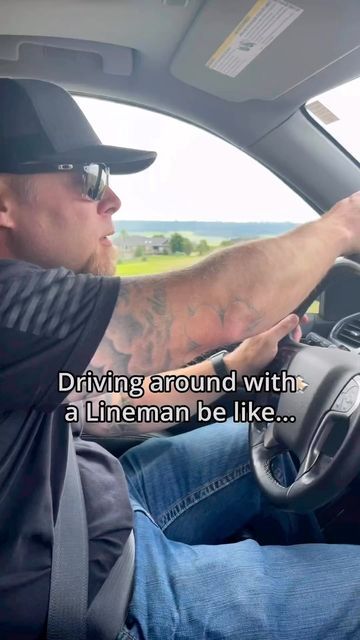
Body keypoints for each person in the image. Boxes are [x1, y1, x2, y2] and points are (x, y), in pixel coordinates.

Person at [1, 78, 360, 640]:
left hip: (92, 500)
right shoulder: (11, 307)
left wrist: (229, 370)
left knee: (279, 434)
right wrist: (342, 225)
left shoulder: (26, 332)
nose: (112, 200)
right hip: (94, 588)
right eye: (88, 179)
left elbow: (104, 409)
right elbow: (222, 307)